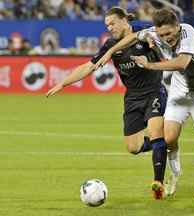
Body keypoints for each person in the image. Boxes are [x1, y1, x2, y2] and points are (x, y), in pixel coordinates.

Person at [95, 8, 194, 200]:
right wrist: (110, 51)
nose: (166, 38)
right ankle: (174, 174)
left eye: (169, 33)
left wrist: (149, 65)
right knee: (168, 138)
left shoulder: (189, 33)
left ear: (177, 27)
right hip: (179, 92)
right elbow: (134, 36)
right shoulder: (153, 32)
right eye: (162, 34)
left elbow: (181, 63)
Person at [46, 7, 167, 200]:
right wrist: (63, 83)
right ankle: (161, 145)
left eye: (112, 23)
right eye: (107, 25)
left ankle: (159, 183)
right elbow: (88, 66)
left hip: (154, 90)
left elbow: (153, 35)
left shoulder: (143, 30)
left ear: (124, 20)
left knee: (155, 131)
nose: (109, 27)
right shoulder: (110, 45)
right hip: (132, 97)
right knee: (133, 148)